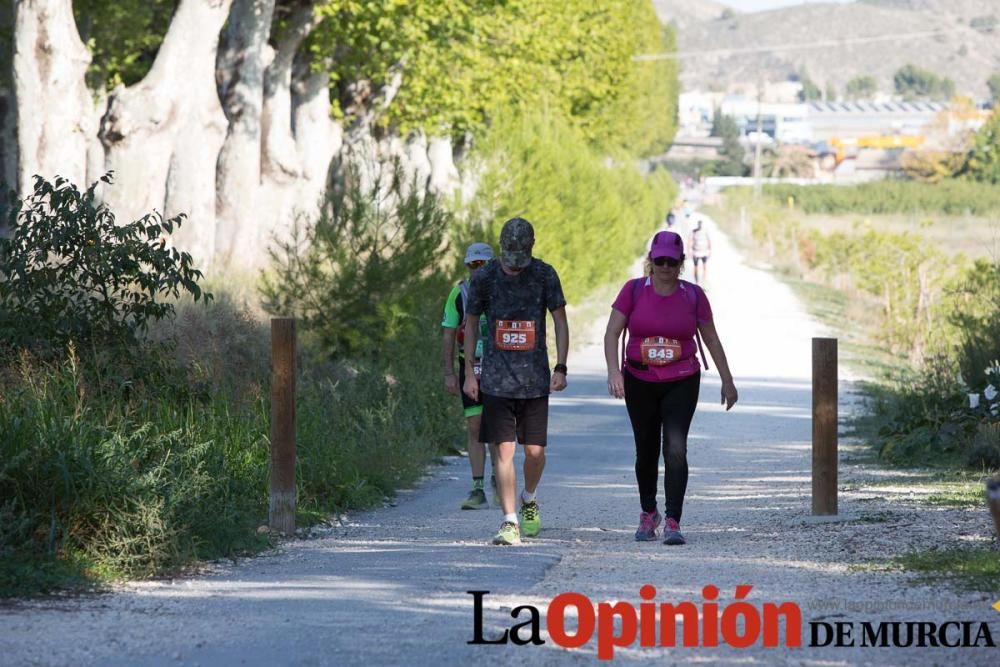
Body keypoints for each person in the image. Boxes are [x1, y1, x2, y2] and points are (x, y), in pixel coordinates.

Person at [603, 230, 737, 545]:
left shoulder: (693, 295)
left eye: (671, 262)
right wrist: (613, 372)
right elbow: (611, 333)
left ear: (681, 263)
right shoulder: (633, 291)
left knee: (675, 449)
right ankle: (648, 513)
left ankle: (673, 519)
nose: (665, 267)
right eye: (659, 260)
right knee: (646, 449)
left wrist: (727, 380)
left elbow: (711, 338)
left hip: (681, 379)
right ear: (650, 261)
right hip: (639, 379)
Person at [462, 218, 569, 546]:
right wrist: (469, 372)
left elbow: (560, 322)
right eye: (509, 259)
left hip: (535, 379)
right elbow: (469, 324)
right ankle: (509, 521)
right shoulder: (484, 277)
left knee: (534, 452)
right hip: (495, 380)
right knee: (503, 450)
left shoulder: (544, 275)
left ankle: (529, 497)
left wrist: (561, 366)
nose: (514, 267)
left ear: (531, 248)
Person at [441, 242, 499, 509]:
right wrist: (450, 373)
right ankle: (478, 488)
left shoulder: (504, 289)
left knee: (498, 428)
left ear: (491, 264)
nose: (477, 270)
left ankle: (501, 481)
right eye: (472, 265)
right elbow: (449, 334)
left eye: (482, 264)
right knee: (475, 426)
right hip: (470, 367)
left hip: (499, 367)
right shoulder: (459, 293)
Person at [688, 215, 712, 285]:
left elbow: (709, 241)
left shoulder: (705, 231)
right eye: (699, 224)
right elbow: (690, 241)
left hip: (704, 252)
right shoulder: (694, 231)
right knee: (696, 267)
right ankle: (697, 282)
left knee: (704, 266)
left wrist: (710, 250)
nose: (700, 226)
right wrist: (689, 251)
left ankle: (704, 281)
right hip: (696, 252)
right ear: (698, 225)